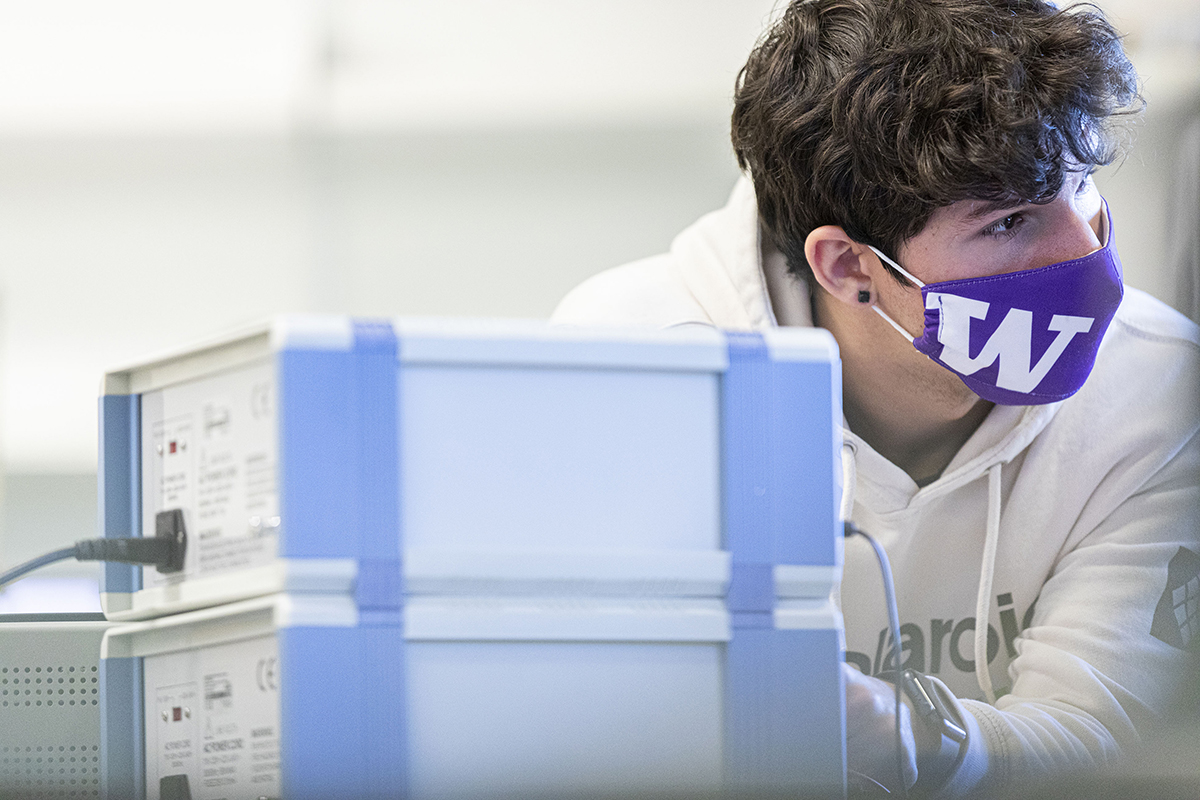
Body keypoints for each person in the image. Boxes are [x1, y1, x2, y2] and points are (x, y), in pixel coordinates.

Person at [552, 0, 1200, 796]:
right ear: (848, 268)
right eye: (1009, 223)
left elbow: (1100, 736)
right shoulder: (638, 373)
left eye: (1083, 186)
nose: (1086, 253)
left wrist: (909, 736)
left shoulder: (1158, 387)